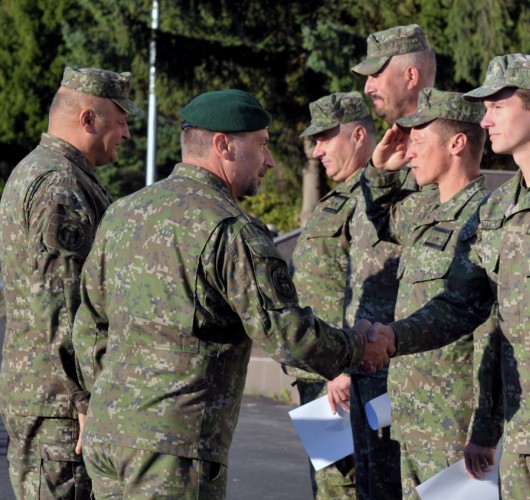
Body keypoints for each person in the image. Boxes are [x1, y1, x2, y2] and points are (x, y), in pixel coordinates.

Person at [71, 89, 394, 498]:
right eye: (261, 145)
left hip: (109, 439)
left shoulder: (123, 213)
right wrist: (356, 349)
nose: (269, 161)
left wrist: (99, 403)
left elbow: (89, 324)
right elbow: (287, 336)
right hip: (173, 451)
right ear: (223, 145)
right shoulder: (230, 229)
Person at [370, 54, 530, 498]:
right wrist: (395, 338)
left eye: (497, 105)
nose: (485, 118)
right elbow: (466, 307)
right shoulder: (498, 209)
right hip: (518, 436)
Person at [0, 66, 140, 499]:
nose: (128, 134)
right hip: (60, 409)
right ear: (87, 119)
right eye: (121, 122)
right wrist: (85, 400)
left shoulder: (45, 171)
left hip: (50, 399)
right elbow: (61, 308)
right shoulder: (59, 185)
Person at [363, 87, 504, 497]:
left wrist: (484, 427)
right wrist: (379, 170)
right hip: (412, 416)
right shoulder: (426, 210)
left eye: (419, 142)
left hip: (454, 424)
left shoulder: (486, 217)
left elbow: (490, 332)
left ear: (457, 143)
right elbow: (381, 217)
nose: (410, 154)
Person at [342, 24, 437, 500]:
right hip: (357, 367)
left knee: (413, 488)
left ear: (412, 75)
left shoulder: (440, 155)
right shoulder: (385, 165)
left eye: (376, 74)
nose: (367, 87)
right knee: (354, 485)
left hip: (416, 373)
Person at [284, 91, 379, 499]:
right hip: (319, 382)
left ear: (359, 134)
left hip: (344, 383)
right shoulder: (336, 200)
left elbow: (373, 287)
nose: (316, 148)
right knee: (329, 487)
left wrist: (343, 368)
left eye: (326, 137)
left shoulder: (374, 200)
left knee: (346, 486)